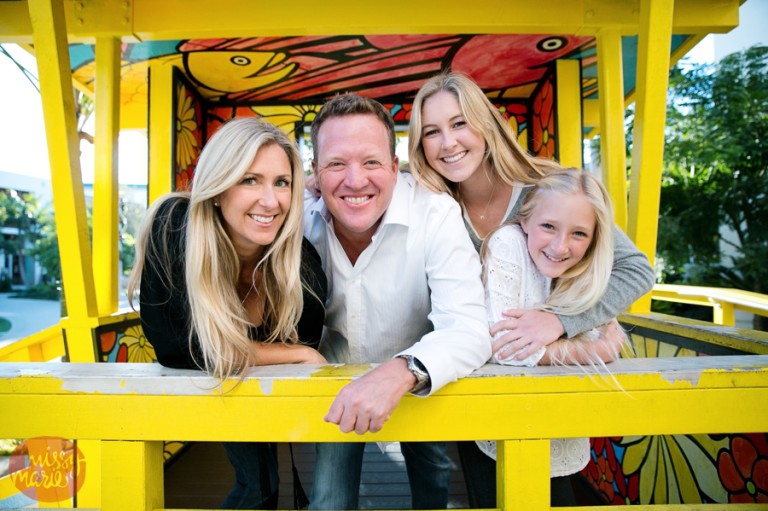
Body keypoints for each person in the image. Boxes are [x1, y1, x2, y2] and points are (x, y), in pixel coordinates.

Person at [408, 72, 655, 506]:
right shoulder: (432, 205)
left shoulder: (545, 187)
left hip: (539, 383)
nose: (448, 142)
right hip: (471, 380)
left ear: (487, 124)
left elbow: (635, 269)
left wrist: (562, 320)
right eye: (432, 131)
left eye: (460, 123)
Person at [303, 93, 491, 510]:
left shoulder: (436, 213)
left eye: (371, 162)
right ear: (315, 171)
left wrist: (403, 370)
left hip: (423, 369)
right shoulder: (296, 218)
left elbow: (469, 329)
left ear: (395, 166)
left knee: (433, 471)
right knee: (328, 498)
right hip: (334, 380)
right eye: (336, 163)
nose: (355, 180)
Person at [127, 117, 327, 509]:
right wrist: (291, 353)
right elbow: (178, 348)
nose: (270, 201)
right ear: (218, 188)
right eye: (249, 180)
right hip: (212, 387)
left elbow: (307, 338)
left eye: (281, 182)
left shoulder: (300, 262)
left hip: (253, 389)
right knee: (258, 487)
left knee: (269, 486)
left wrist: (289, 353)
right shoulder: (174, 228)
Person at [478, 168, 626, 505]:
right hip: (496, 421)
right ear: (526, 220)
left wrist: (567, 338)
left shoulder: (590, 264)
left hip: (561, 419)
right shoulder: (507, 244)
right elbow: (503, 347)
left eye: (578, 234)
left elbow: (609, 334)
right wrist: (594, 350)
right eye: (548, 227)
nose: (560, 246)